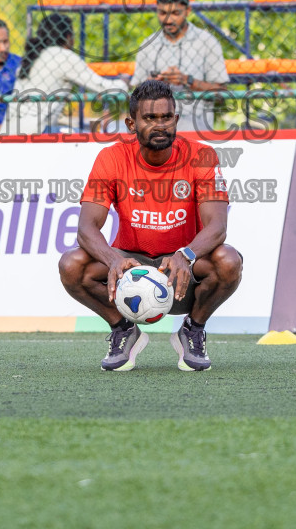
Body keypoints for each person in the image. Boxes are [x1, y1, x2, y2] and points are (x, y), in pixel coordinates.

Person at [58, 80, 242, 372]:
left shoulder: (202, 155)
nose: (160, 125)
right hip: (132, 266)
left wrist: (186, 255)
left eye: (166, 118)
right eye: (150, 118)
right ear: (132, 123)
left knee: (229, 261)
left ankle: (192, 329)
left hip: (184, 269)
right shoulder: (112, 158)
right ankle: (123, 330)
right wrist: (113, 259)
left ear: (176, 120)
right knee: (72, 265)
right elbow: (86, 229)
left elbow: (217, 227)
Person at [1, 14, 124, 136]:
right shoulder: (63, 56)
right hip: (35, 130)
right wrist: (126, 82)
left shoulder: (33, 56)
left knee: (71, 131)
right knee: (90, 139)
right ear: (68, 37)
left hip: (9, 131)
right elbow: (104, 88)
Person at [131, 0, 229, 132]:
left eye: (175, 13)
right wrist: (152, 85)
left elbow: (221, 94)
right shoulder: (148, 44)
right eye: (163, 13)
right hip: (154, 134)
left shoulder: (207, 42)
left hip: (196, 130)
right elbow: (134, 97)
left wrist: (187, 80)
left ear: (188, 11)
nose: (168, 20)